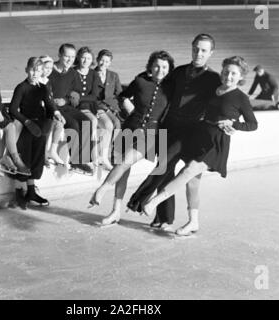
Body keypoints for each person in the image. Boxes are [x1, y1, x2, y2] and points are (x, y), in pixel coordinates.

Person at [141, 56, 258, 236]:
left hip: (215, 144)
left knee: (188, 171)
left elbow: (252, 124)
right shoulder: (215, 90)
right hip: (200, 136)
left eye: (234, 73)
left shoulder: (241, 98)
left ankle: (154, 201)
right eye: (226, 71)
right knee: (193, 184)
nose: (229, 76)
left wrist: (234, 124)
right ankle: (193, 222)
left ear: (240, 76)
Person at [127, 33, 222, 231]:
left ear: (211, 53)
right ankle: (164, 218)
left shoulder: (213, 79)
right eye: (196, 48)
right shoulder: (178, 71)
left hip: (192, 131)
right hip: (168, 126)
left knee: (177, 172)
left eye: (204, 50)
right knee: (167, 170)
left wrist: (227, 121)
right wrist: (139, 81)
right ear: (192, 47)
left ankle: (139, 200)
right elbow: (158, 85)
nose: (198, 53)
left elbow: (222, 101)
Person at [88, 50, 174, 226]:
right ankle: (115, 211)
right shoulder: (141, 80)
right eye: (156, 65)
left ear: (169, 69)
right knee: (123, 172)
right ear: (150, 66)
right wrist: (130, 108)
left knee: (126, 161)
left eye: (164, 67)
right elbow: (123, 96)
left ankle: (102, 188)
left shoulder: (172, 86)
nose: (160, 70)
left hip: (153, 133)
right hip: (131, 126)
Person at [9, 57, 65, 209]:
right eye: (33, 70)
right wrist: (26, 122)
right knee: (25, 160)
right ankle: (19, 193)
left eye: (38, 71)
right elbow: (13, 109)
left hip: (39, 128)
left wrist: (56, 113)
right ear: (27, 70)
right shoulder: (21, 87)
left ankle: (31, 191)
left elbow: (49, 104)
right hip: (28, 127)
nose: (35, 73)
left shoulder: (42, 87)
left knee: (36, 161)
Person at [48, 43, 94, 175]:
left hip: (65, 105)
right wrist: (53, 101)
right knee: (72, 124)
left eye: (72, 57)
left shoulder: (72, 73)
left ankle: (83, 159)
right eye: (66, 56)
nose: (69, 60)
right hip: (52, 107)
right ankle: (75, 161)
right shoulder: (50, 70)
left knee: (87, 121)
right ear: (59, 55)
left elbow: (75, 93)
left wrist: (66, 100)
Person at [95, 49, 123, 169]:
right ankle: (106, 155)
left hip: (111, 106)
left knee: (118, 123)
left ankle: (113, 154)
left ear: (110, 63)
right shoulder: (92, 74)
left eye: (107, 61)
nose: (103, 63)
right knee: (115, 123)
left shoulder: (113, 75)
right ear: (97, 60)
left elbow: (119, 93)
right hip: (98, 106)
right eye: (102, 60)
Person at [39, 55, 67, 167]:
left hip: (48, 109)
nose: (48, 71)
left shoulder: (47, 81)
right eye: (46, 68)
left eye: (50, 69)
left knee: (59, 123)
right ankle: (43, 153)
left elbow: (49, 100)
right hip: (38, 111)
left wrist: (57, 112)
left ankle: (53, 151)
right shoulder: (37, 81)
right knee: (48, 124)